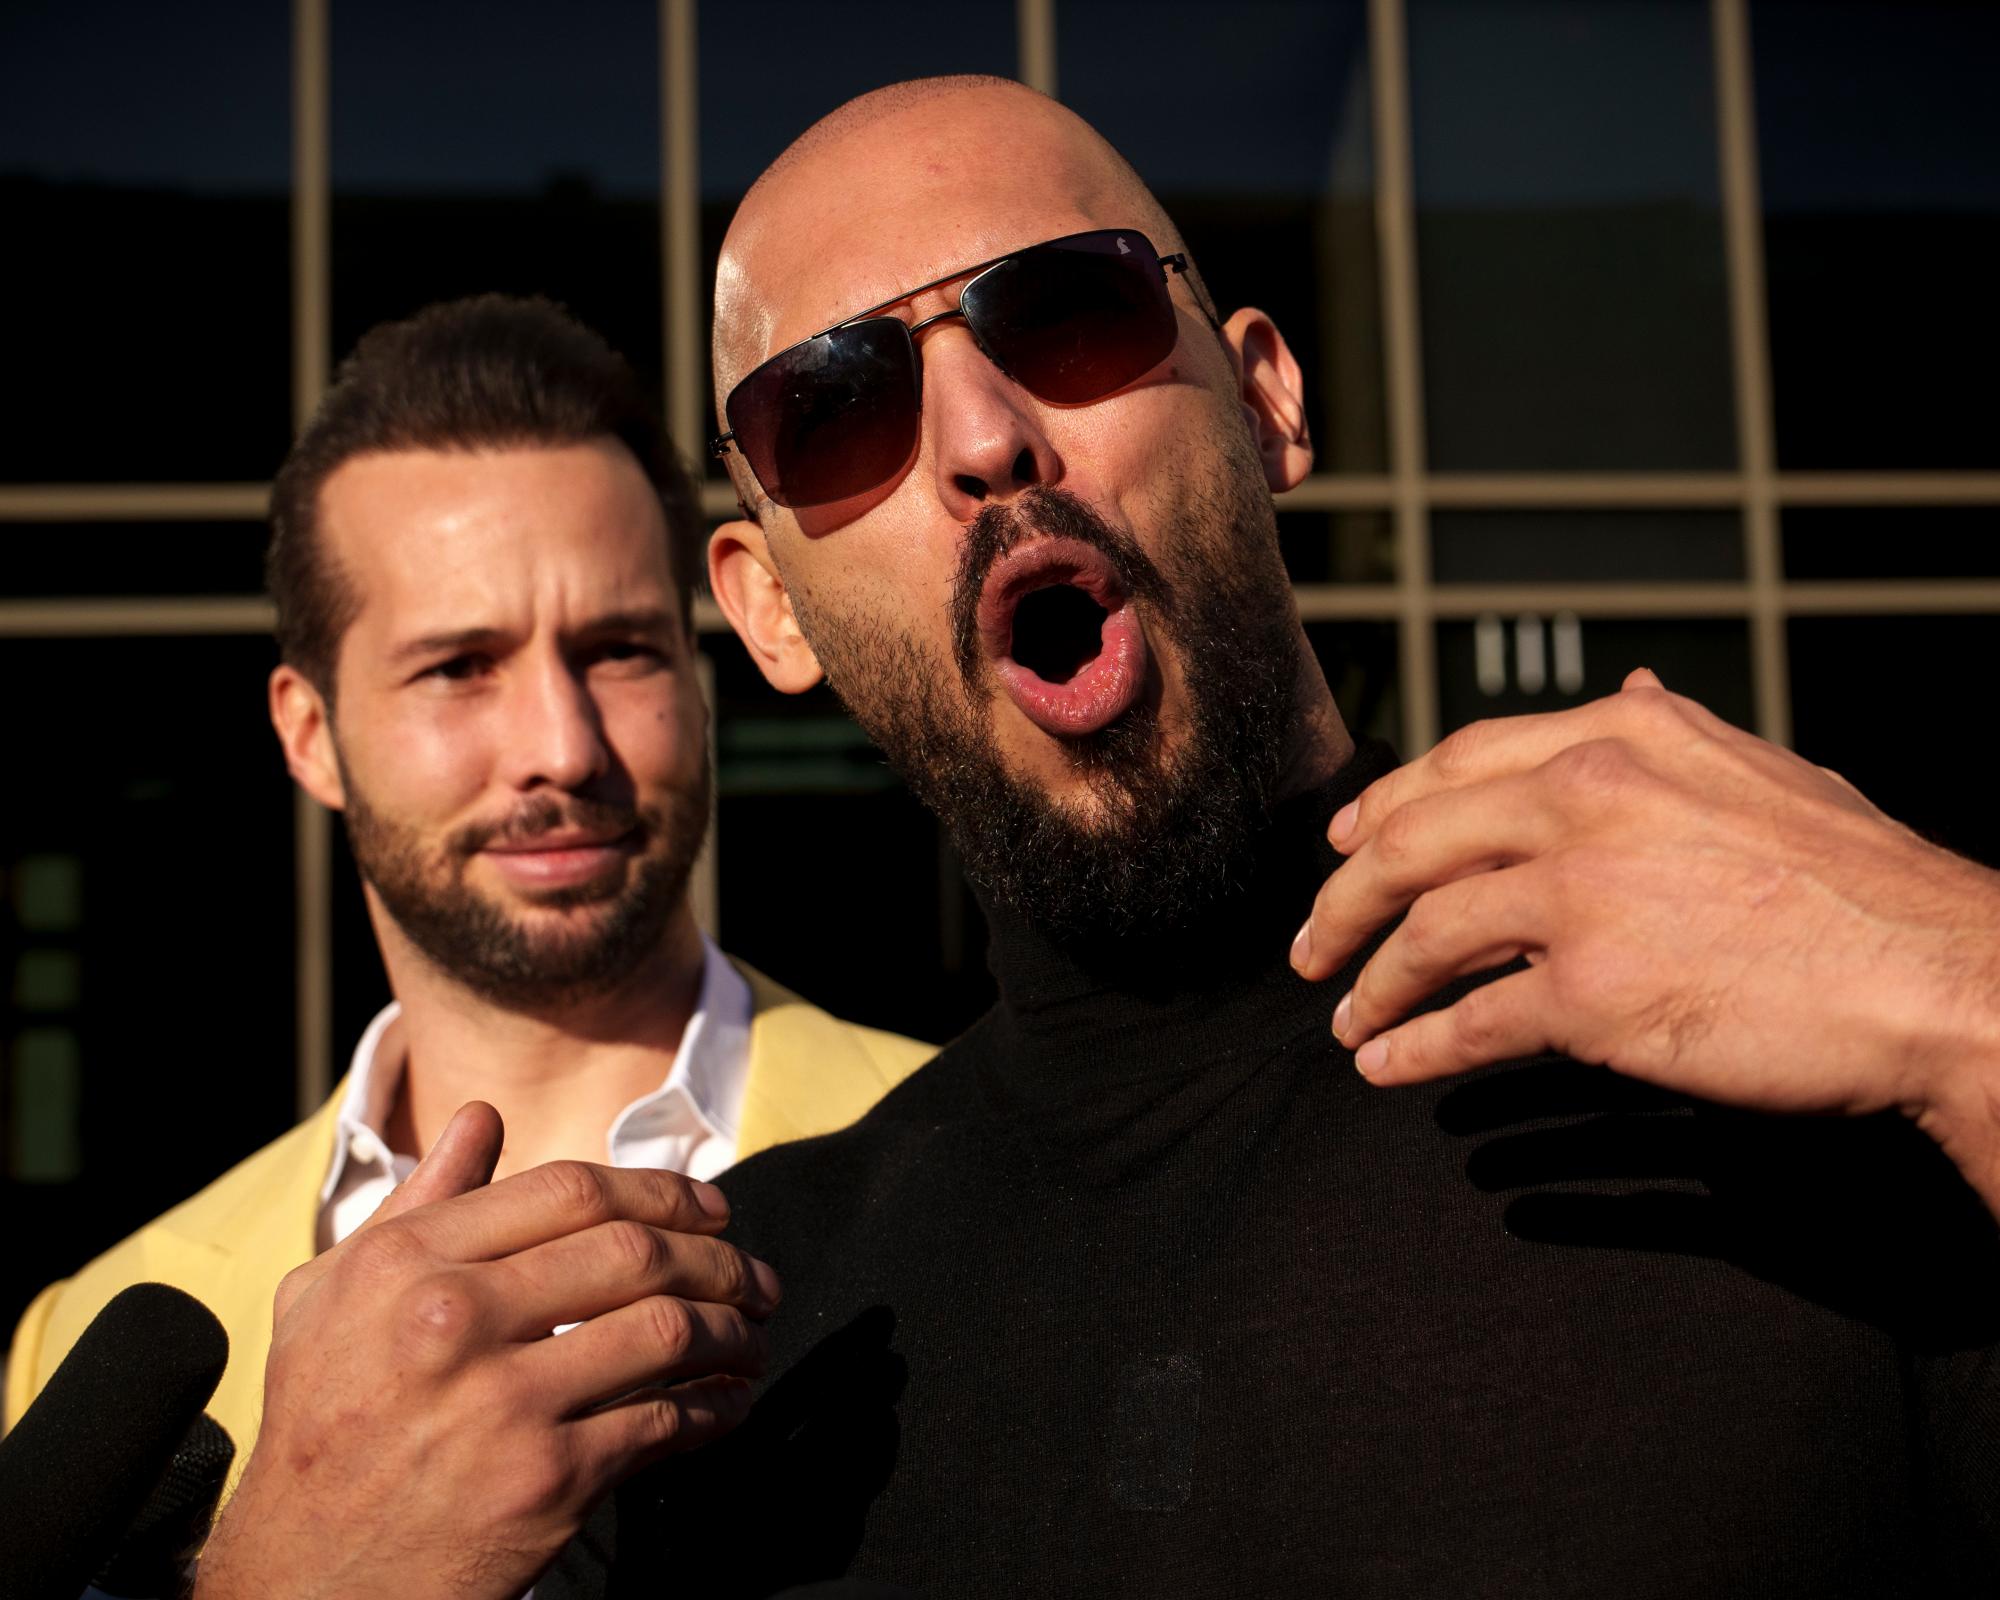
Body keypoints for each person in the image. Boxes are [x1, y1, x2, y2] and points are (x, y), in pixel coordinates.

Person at [200, 79, 2000, 1599]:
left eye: (1064, 312)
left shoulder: (1763, 1029)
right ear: (770, 615)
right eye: (837, 405)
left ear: (1270, 398)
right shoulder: (736, 1334)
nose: (985, 437)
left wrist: (1960, 984)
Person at [2, 296, 933, 1482]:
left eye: (620, 650)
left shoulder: (999, 1167)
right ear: (310, 734)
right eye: (458, 667)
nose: (561, 743)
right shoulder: (84, 1350)